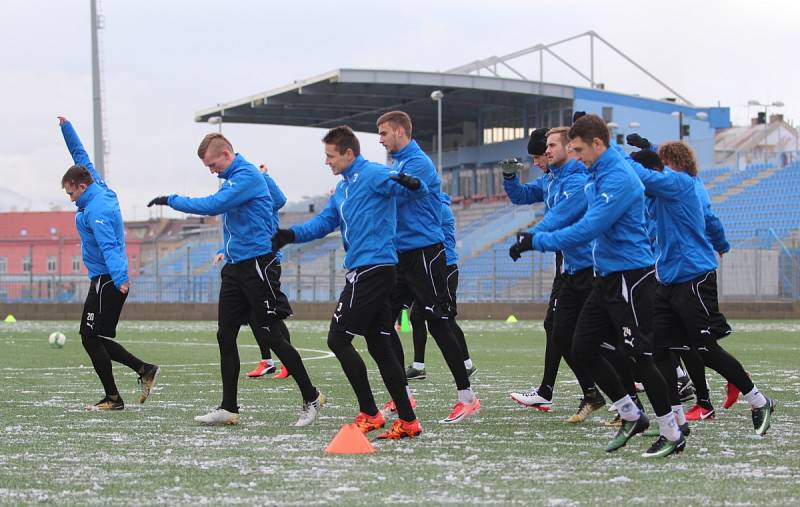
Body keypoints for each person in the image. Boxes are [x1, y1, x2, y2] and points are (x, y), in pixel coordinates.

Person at [513, 114, 684, 457]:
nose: (575, 156)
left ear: (597, 144)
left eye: (578, 149)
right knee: (580, 347)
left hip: (631, 278)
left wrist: (538, 242)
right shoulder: (594, 172)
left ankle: (673, 431)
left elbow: (589, 226)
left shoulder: (619, 177)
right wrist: (534, 233)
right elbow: (569, 210)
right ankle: (631, 415)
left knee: (641, 357)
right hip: (605, 277)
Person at [147, 133, 323, 427]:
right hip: (235, 265)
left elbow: (213, 206)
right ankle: (228, 407)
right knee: (225, 335)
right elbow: (277, 200)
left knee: (270, 334)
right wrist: (267, 179)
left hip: (258, 265)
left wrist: (171, 200)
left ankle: (312, 396)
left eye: (213, 164)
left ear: (227, 155)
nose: (211, 170)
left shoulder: (245, 175)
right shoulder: (243, 176)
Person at [272, 126, 425, 439]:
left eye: (330, 155)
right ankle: (408, 421)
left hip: (372, 270)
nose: (327, 162)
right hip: (370, 271)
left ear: (348, 153)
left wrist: (412, 183)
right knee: (380, 345)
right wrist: (290, 235)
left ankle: (370, 413)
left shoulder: (373, 174)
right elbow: (324, 223)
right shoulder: (342, 189)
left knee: (338, 340)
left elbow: (414, 189)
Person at [628, 142, 774, 437]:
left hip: (694, 276)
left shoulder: (681, 183)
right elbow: (704, 218)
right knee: (661, 351)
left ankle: (759, 401)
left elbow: (645, 175)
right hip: (668, 279)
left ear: (672, 165)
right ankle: (677, 418)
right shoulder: (667, 191)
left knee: (705, 349)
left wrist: (608, 152)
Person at [377, 111, 480, 423]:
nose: (380, 140)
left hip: (425, 253)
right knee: (382, 322)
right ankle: (402, 393)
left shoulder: (417, 161)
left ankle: (467, 397)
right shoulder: (396, 164)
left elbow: (410, 189)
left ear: (399, 132)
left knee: (438, 321)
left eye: (383, 133)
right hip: (401, 256)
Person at [57, 116, 159, 411]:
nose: (70, 198)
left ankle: (125, 387)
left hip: (109, 279)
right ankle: (136, 377)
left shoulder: (97, 208)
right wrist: (66, 128)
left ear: (80, 186)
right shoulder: (94, 186)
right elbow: (80, 156)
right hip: (101, 278)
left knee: (92, 337)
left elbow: (110, 245)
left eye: (70, 192)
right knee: (90, 336)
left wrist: (120, 278)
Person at [507, 127, 606, 423]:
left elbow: (559, 218)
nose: (543, 156)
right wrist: (510, 176)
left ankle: (635, 397)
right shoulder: (553, 179)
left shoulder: (576, 180)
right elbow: (523, 196)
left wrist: (532, 238)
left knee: (602, 339)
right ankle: (592, 393)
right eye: (541, 151)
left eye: (547, 149)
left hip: (590, 268)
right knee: (560, 331)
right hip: (570, 268)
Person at [211, 164, 291, 380]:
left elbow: (280, 199)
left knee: (268, 318)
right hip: (246, 262)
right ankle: (268, 360)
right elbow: (237, 232)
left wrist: (265, 175)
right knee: (255, 317)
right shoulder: (244, 197)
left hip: (264, 262)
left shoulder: (262, 195)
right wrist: (222, 250)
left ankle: (287, 361)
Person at [405, 192, 477, 381]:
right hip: (435, 268)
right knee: (420, 316)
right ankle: (420, 366)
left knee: (444, 319)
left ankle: (464, 365)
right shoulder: (437, 206)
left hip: (443, 268)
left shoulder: (439, 208)